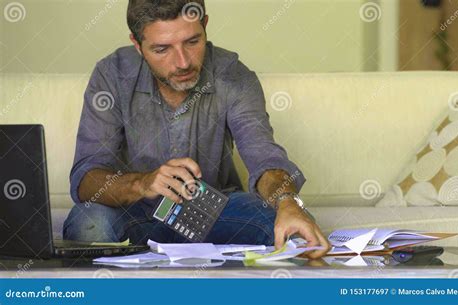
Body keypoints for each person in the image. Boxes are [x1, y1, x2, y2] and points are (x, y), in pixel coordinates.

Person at [63, 0, 330, 259]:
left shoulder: (233, 75)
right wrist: (142, 183)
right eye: (161, 49)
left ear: (205, 25)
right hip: (133, 212)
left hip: (213, 212)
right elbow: (86, 179)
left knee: (294, 225)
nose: (182, 62)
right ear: (137, 44)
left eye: (192, 42)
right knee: (88, 222)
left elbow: (264, 158)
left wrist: (286, 201)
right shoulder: (112, 74)